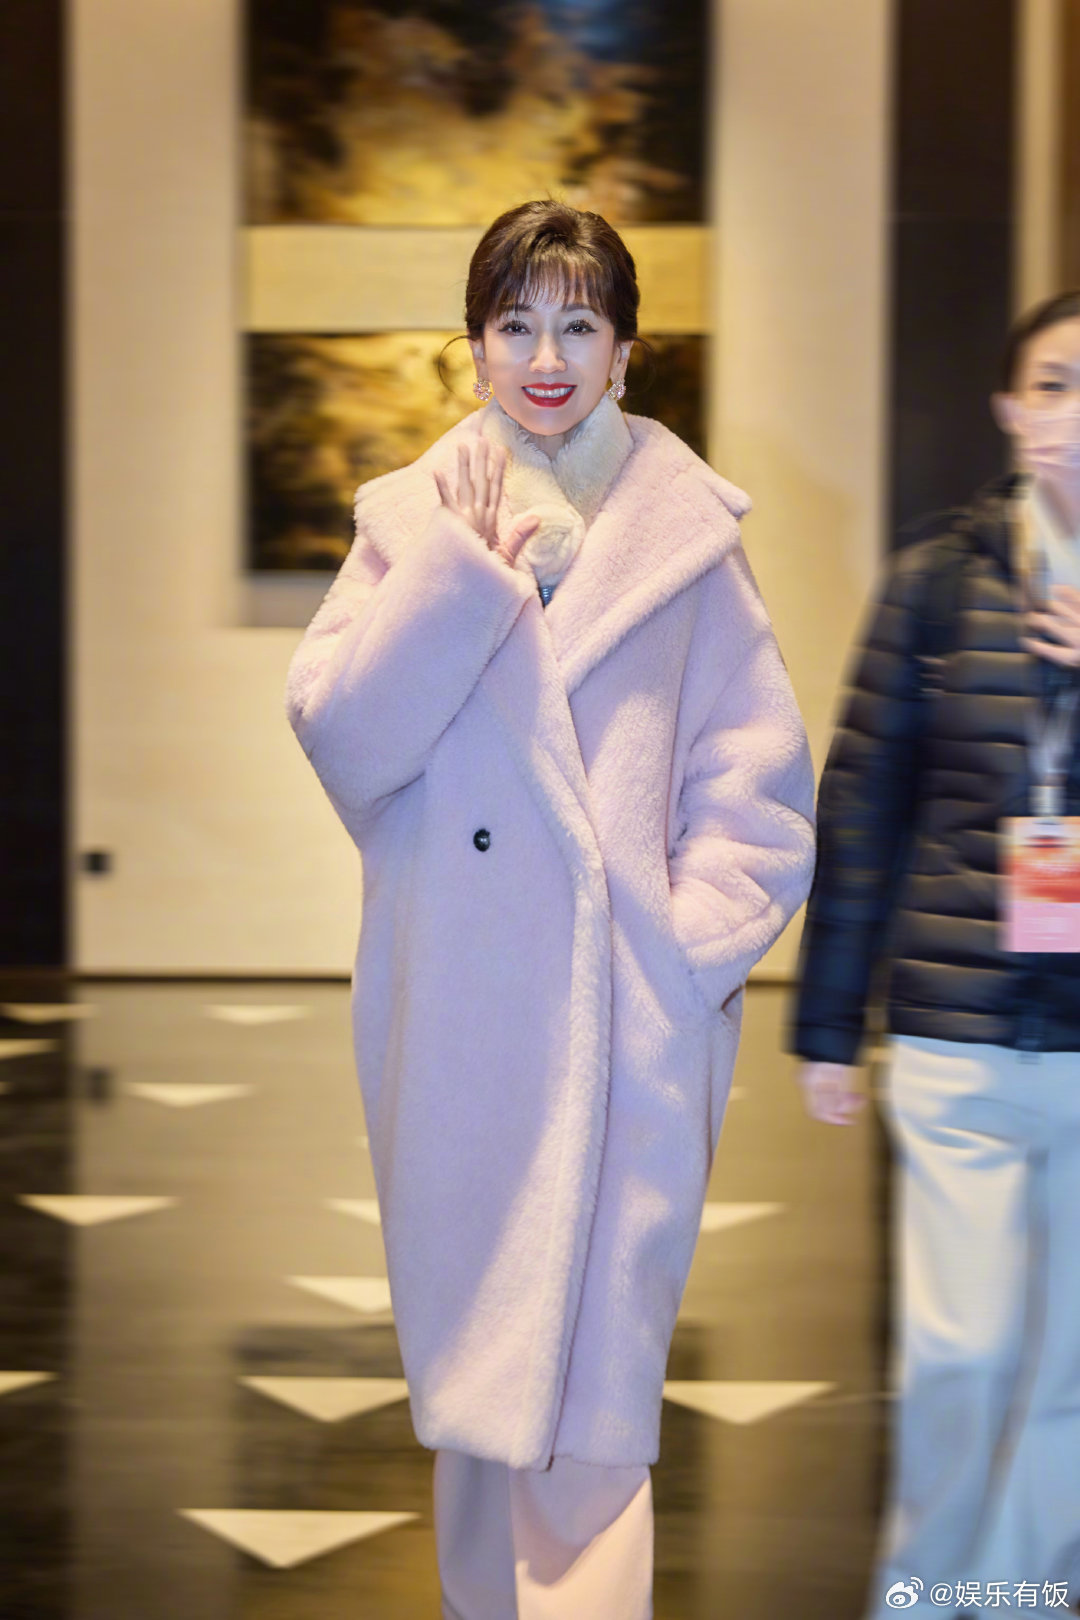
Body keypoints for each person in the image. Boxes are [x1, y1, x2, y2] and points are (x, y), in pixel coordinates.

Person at [286, 198, 815, 1619]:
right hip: (457, 1021)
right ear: (472, 347)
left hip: (621, 1031)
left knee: (592, 1404)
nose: (545, 357)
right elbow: (344, 742)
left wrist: (677, 960)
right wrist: (459, 582)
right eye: (515, 323)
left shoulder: (687, 538)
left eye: (579, 324)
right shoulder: (412, 524)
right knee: (477, 1393)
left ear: (626, 352)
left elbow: (760, 790)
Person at [793, 291, 1080, 1620]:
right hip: (955, 1029)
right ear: (1011, 410)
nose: (1076, 415)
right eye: (1056, 384)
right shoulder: (934, 580)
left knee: (1071, 1369)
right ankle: (927, 1592)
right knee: (960, 1349)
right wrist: (828, 1022)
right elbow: (861, 804)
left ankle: (1024, 1595)